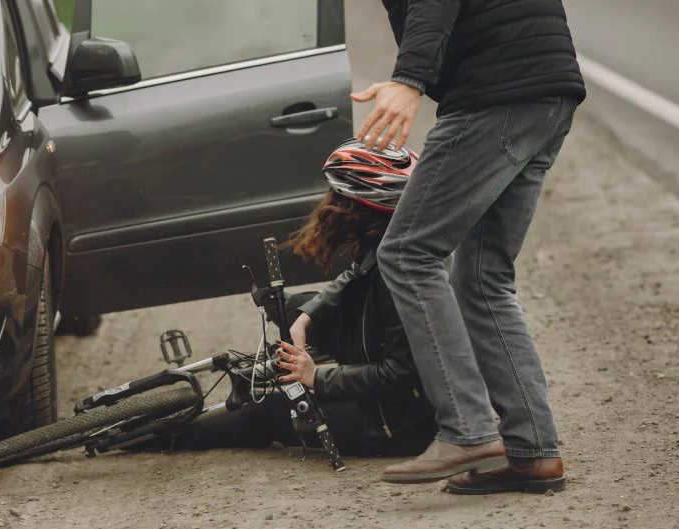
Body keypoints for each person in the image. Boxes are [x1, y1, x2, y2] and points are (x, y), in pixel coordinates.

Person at [352, 0, 586, 493]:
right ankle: (534, 451)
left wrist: (409, 79)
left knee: (408, 252)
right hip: (544, 95)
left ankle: (468, 428)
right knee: (482, 278)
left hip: (496, 98)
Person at [162, 140, 437, 458]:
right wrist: (306, 316)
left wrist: (316, 377)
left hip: (398, 424)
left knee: (267, 413)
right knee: (289, 308)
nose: (328, 204)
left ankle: (167, 438)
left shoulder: (402, 279)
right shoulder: (392, 239)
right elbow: (354, 278)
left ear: (363, 205)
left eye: (338, 195)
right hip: (383, 365)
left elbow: (400, 375)